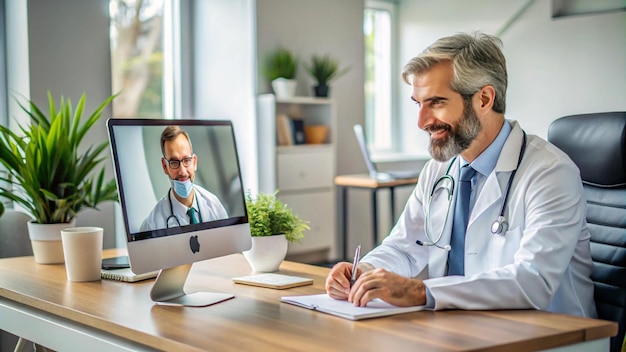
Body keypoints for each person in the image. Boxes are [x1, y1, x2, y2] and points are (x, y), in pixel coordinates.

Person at [326, 32, 596, 318]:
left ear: (484, 98)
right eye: (418, 104)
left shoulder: (550, 173)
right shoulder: (439, 169)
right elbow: (405, 247)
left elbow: (533, 281)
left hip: (550, 337)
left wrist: (421, 291)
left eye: (437, 102)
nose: (421, 122)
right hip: (463, 328)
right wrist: (365, 273)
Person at [140, 125, 228, 231]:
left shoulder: (215, 207)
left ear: (194, 162)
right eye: (174, 162)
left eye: (186, 160)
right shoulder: (151, 225)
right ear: (165, 166)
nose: (182, 171)